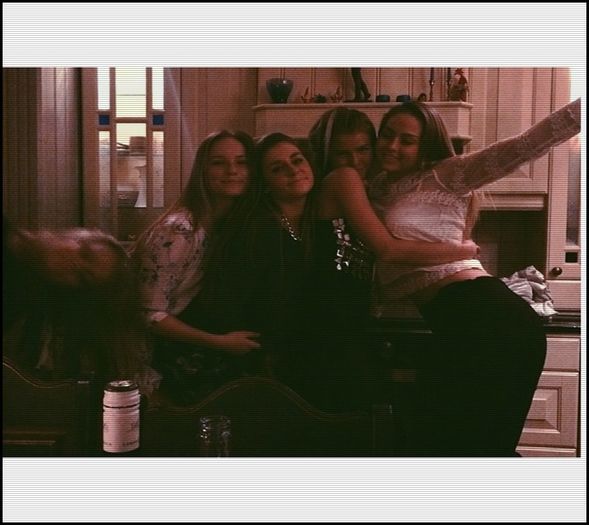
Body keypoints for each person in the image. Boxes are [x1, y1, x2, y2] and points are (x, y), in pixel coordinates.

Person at [364, 98, 581, 456]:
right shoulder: (375, 189)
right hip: (461, 322)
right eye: (387, 135)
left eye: (407, 140)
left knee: (476, 449)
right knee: (463, 447)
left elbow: (524, 146)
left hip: (491, 319)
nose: (392, 145)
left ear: (425, 146)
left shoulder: (447, 173)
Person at [307, 107, 482, 411]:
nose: (355, 161)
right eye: (342, 153)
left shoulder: (367, 188)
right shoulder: (344, 179)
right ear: (326, 155)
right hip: (330, 321)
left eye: (363, 150)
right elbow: (389, 250)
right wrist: (464, 250)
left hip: (345, 318)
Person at [130, 130, 261, 405]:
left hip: (188, 347)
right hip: (150, 355)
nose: (232, 171)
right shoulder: (180, 231)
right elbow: (149, 314)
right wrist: (219, 341)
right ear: (202, 171)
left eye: (241, 162)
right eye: (219, 163)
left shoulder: (232, 224)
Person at [3, 217, 160, 396]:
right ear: (76, 232)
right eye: (85, 254)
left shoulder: (18, 302)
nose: (74, 264)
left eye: (82, 277)